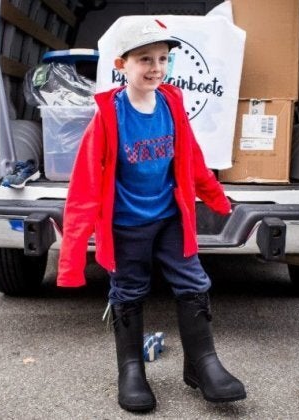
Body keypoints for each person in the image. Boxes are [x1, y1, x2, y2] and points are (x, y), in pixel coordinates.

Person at [56, 16, 246, 413]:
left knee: (193, 281)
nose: (156, 68)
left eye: (162, 59)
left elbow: (190, 158)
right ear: (122, 64)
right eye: (145, 59)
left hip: (171, 217)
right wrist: (71, 260)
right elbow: (84, 189)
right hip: (127, 225)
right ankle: (131, 371)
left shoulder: (171, 103)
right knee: (128, 289)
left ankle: (203, 365)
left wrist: (215, 197)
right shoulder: (109, 116)